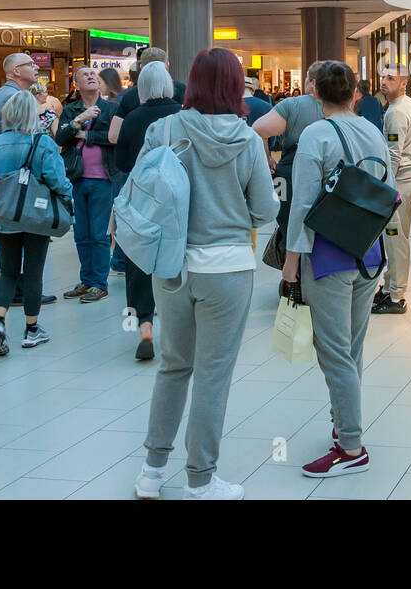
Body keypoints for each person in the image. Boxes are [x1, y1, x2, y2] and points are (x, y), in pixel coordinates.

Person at [134, 49, 277, 501]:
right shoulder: (248, 139)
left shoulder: (163, 129)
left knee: (173, 366)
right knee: (213, 375)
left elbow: (140, 187)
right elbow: (264, 209)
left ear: (191, 83)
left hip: (173, 266)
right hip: (227, 270)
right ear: (236, 87)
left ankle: (151, 473)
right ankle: (200, 478)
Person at [283, 60, 394, 479]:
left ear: (315, 94)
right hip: (368, 251)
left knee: (333, 352)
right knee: (351, 348)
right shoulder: (371, 130)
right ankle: (342, 425)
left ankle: (351, 447)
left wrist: (291, 262)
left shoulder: (315, 134)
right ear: (355, 94)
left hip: (328, 254)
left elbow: (303, 203)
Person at [0, 91, 72, 356]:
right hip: (35, 217)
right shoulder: (42, 143)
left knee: (7, 272)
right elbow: (57, 179)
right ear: (33, 114)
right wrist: (68, 195)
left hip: (4, 217)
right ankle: (31, 330)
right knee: (33, 274)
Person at [115, 61, 182, 361]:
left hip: (142, 201)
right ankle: (178, 330)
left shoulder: (132, 118)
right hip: (178, 200)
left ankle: (144, 328)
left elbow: (120, 163)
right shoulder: (182, 116)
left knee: (140, 261)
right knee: (177, 257)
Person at [0, 53, 44, 306]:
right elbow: (17, 138)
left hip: (0, 178)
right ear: (16, 70)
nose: (36, 67)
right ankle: (12, 289)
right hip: (11, 179)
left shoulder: (3, 96)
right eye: (30, 64)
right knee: (7, 232)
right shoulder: (12, 97)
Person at [56, 66, 120, 303]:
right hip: (76, 178)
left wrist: (87, 136)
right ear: (76, 84)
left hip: (103, 179)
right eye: (86, 75)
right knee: (81, 233)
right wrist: (78, 121)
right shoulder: (71, 110)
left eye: (94, 75)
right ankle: (86, 280)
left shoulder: (112, 109)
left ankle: (99, 283)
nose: (92, 77)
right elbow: (60, 138)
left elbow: (117, 139)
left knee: (99, 234)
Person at [251, 62, 325, 255]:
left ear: (310, 81)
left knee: (288, 221)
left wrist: (268, 158)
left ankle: (292, 273)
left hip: (290, 172)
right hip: (326, 173)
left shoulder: (293, 105)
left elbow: (258, 130)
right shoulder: (339, 107)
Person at [375, 67, 411, 315]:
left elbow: (393, 154)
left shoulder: (396, 113)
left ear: (404, 83)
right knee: (399, 238)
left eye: (391, 78)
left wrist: (385, 187)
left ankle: (396, 296)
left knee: (395, 239)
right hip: (410, 182)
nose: (384, 82)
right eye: (383, 77)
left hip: (397, 184)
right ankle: (389, 286)